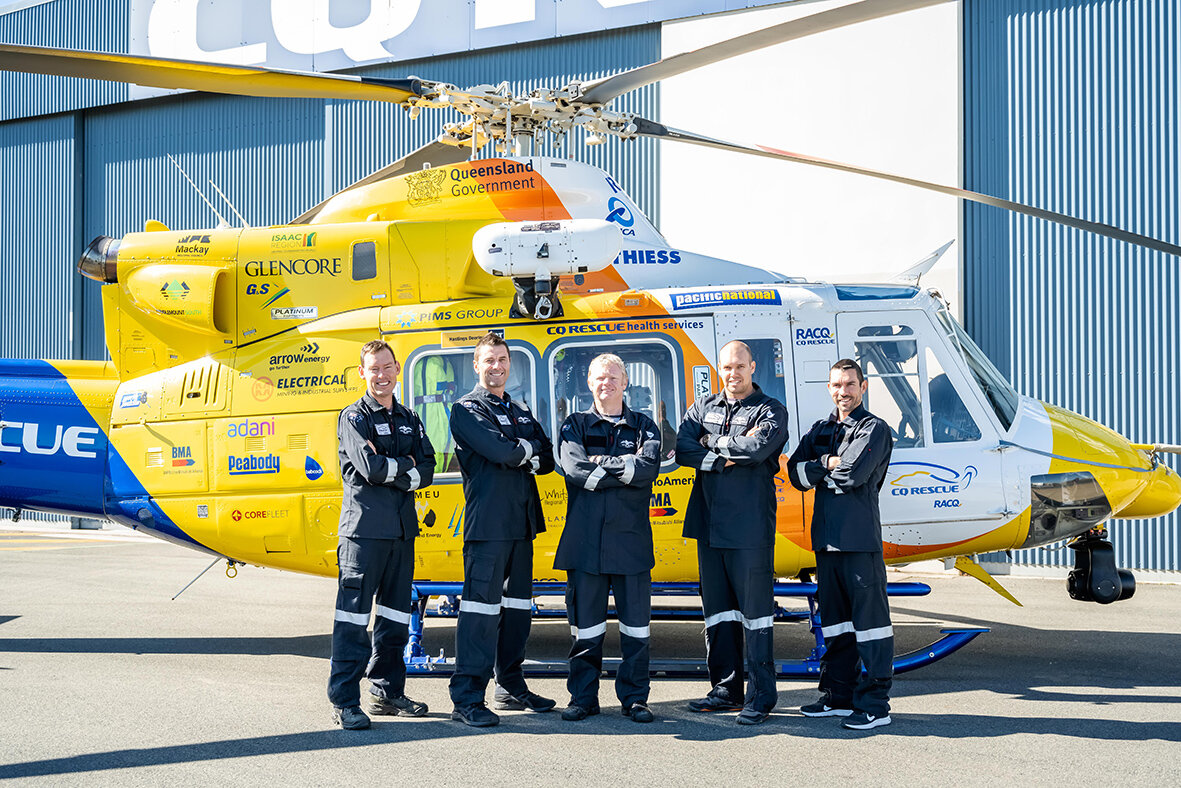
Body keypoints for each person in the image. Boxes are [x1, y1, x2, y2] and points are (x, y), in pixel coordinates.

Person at [675, 340, 789, 725]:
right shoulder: (703, 406)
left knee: (756, 617)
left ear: (752, 367)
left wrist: (714, 444)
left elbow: (756, 449)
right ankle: (726, 689)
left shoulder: (771, 410)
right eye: (726, 367)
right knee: (718, 614)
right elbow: (683, 447)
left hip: (749, 529)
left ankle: (760, 696)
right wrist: (719, 458)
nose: (733, 374)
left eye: (740, 366)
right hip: (708, 527)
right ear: (719, 369)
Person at [448, 332, 556, 727]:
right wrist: (521, 451)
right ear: (476, 366)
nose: (496, 366)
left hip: (521, 523)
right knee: (479, 612)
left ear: (510, 364)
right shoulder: (466, 409)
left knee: (517, 610)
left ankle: (510, 684)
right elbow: (505, 452)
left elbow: (546, 458)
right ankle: (467, 698)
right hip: (488, 527)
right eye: (489, 360)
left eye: (502, 360)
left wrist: (521, 452)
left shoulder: (519, 408)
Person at [328, 339, 435, 730]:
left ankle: (387, 692)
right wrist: (403, 467)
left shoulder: (409, 416)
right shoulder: (353, 417)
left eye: (387, 367)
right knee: (353, 621)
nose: (381, 375)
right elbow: (370, 469)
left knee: (394, 619)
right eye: (373, 368)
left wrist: (397, 467)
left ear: (397, 369)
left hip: (401, 533)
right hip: (363, 534)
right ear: (362, 373)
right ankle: (344, 700)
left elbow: (428, 467)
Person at [788, 358, 895, 731]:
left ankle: (875, 704)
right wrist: (827, 463)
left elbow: (851, 476)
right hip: (826, 543)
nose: (843, 392)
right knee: (835, 624)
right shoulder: (821, 429)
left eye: (850, 384)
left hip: (859, 542)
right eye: (836, 385)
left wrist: (823, 469)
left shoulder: (874, 429)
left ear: (863, 387)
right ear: (829, 388)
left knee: (871, 626)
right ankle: (838, 695)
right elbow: (795, 474)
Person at [555, 354, 661, 723]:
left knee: (636, 630)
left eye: (613, 377)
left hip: (631, 545)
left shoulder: (645, 426)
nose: (607, 384)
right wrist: (623, 469)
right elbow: (573, 468)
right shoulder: (574, 425)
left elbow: (647, 468)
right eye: (600, 378)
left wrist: (600, 464)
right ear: (588, 383)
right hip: (584, 546)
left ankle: (635, 699)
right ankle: (583, 698)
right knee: (585, 630)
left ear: (625, 381)